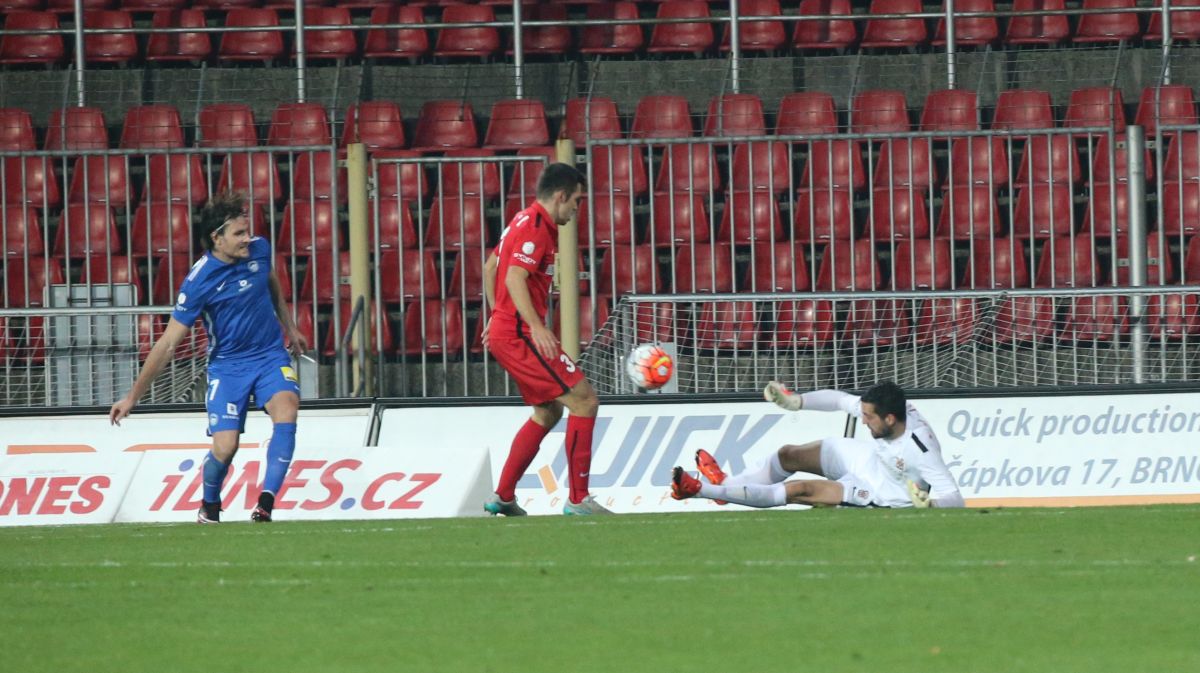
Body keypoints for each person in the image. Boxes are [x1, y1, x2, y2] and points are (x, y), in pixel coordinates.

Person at [109, 192, 308, 523]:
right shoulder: (199, 280)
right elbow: (168, 343)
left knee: (287, 407)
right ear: (217, 238)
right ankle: (210, 504)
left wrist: (290, 326)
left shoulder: (259, 249)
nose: (247, 239)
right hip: (228, 367)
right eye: (239, 234)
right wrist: (133, 397)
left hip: (269, 356)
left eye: (247, 231)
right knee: (225, 448)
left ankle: (266, 504)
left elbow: (269, 279)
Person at [480, 162, 610, 516]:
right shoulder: (537, 227)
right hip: (520, 335)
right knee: (584, 400)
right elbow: (513, 278)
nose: (577, 209)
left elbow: (490, 267)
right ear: (561, 196)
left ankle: (503, 496)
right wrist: (536, 326)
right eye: (577, 201)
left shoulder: (520, 220)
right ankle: (579, 500)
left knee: (548, 411)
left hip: (508, 331)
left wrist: (496, 315)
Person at [671, 381, 965, 509]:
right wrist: (797, 402)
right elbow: (839, 400)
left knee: (799, 490)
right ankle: (728, 487)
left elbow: (955, 498)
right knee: (789, 454)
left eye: (868, 417)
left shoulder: (920, 448)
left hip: (885, 493)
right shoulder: (887, 413)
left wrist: (930, 505)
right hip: (870, 460)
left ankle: (702, 490)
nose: (863, 421)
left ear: (889, 419)